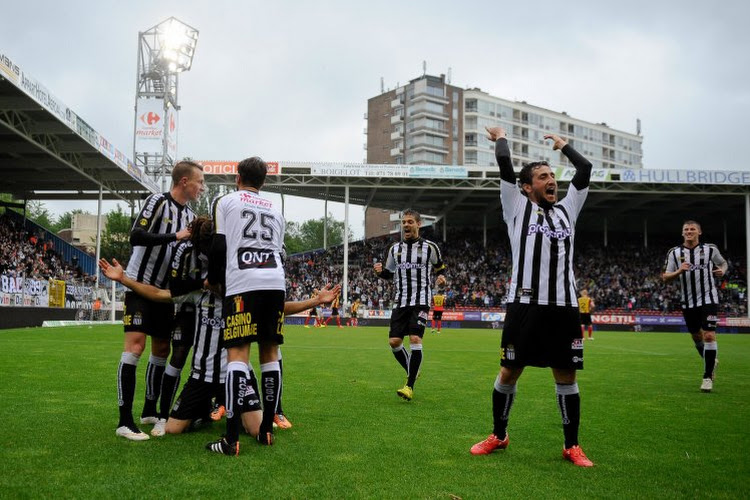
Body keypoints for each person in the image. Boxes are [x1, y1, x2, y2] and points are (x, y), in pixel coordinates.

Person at [99, 257, 340, 441]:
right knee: (173, 430)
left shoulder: (240, 297)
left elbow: (280, 307)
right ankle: (203, 410)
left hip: (235, 378)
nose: (210, 281)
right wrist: (124, 279)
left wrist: (316, 301)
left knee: (257, 430)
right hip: (200, 377)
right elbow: (160, 294)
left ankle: (234, 410)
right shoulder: (197, 295)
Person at [470, 126, 594, 467]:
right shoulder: (515, 206)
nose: (551, 180)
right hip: (524, 305)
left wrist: (563, 146)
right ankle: (499, 434)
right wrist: (501, 140)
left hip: (564, 306)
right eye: (542, 176)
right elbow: (506, 166)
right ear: (527, 187)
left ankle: (572, 445)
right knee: (509, 372)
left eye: (552, 175)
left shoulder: (569, 207)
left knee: (566, 375)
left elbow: (584, 171)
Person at [116, 160, 204, 441]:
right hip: (139, 286)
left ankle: (149, 410)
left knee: (162, 349)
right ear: (184, 182)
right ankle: (124, 421)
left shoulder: (191, 215)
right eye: (199, 182)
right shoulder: (157, 201)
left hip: (166, 295)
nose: (202, 187)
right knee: (135, 347)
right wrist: (174, 235)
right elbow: (136, 236)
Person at [206, 156, 286, 455]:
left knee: (238, 355)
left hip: (242, 281)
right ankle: (266, 429)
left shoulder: (225, 201)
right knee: (271, 353)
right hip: (274, 281)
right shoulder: (276, 209)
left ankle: (230, 439)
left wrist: (216, 282)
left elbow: (218, 245)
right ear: (263, 182)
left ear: (237, 177)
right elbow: (280, 250)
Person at [374, 209, 446, 401]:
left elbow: (440, 267)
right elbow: (389, 274)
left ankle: (409, 385)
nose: (406, 225)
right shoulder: (394, 249)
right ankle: (412, 369)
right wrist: (379, 272)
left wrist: (441, 277)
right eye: (404, 222)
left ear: (418, 224)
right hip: (401, 300)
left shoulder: (430, 247)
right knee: (394, 342)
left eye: (410, 222)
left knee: (415, 338)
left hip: (421, 300)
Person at [662, 220, 727, 392]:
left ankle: (707, 377)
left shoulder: (710, 249)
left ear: (699, 232)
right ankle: (711, 360)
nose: (689, 231)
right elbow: (665, 277)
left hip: (708, 299)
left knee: (709, 336)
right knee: (697, 337)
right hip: (688, 301)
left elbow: (723, 263)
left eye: (692, 229)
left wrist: (723, 271)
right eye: (686, 229)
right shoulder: (674, 253)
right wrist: (679, 271)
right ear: (682, 233)